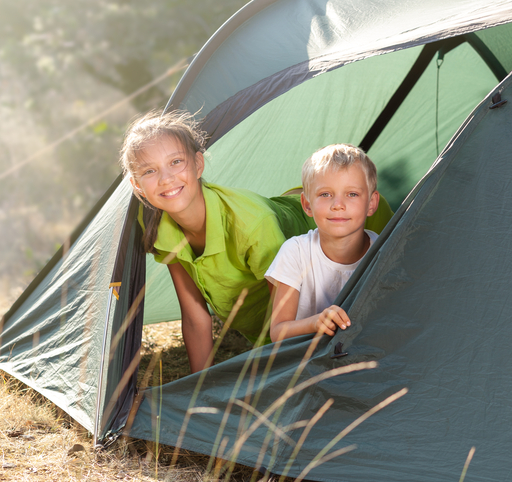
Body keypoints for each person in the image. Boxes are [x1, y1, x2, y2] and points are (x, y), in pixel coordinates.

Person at [121, 112, 390, 373]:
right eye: (150, 170)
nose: (166, 178)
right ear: (136, 185)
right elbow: (195, 315)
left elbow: (282, 330)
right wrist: (197, 391)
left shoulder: (253, 225)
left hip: (335, 229)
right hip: (295, 309)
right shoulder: (157, 227)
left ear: (198, 164)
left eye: (176, 162)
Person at [265, 144, 381, 343]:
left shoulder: (384, 251)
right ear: (307, 205)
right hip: (307, 360)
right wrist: (315, 323)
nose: (338, 205)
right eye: (325, 194)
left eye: (352, 194)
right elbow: (277, 332)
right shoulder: (295, 252)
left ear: (371, 203)